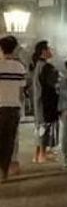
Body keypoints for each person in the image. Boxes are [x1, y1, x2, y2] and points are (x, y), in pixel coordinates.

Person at [0, 36, 26, 181]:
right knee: (9, 140)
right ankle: (4, 171)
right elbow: (21, 92)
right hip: (14, 108)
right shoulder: (20, 67)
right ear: (15, 48)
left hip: (0, 106)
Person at [31, 41, 60, 164]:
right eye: (49, 48)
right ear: (43, 51)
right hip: (46, 101)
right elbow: (54, 83)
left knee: (40, 126)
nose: (51, 50)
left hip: (39, 100)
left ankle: (37, 154)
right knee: (45, 126)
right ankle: (42, 154)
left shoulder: (38, 65)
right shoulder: (46, 67)